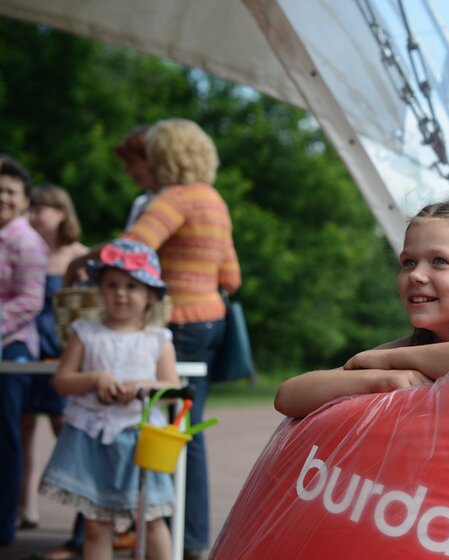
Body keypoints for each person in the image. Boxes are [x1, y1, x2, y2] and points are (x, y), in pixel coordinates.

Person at [66, 118, 241, 558]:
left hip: (176, 321)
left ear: (165, 156)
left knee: (147, 425)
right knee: (186, 430)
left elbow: (128, 253)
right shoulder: (214, 201)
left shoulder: (174, 198)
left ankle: (130, 522)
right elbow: (231, 276)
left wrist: (83, 261)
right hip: (211, 322)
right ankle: (193, 538)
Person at [275, 201, 449, 418]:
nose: (416, 275)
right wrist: (378, 381)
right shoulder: (405, 354)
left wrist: (386, 361)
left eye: (439, 261)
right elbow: (288, 395)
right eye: (408, 262)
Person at [39, 238, 179, 560]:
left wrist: (144, 386)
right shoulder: (85, 332)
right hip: (90, 436)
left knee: (151, 518)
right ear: (100, 290)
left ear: (150, 296)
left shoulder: (158, 340)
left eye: (132, 286)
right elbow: (61, 382)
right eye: (112, 285)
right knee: (96, 524)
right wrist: (93, 379)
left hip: (140, 439)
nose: (120, 293)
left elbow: (172, 389)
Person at [15, 185, 89, 532]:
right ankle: (26, 506)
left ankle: (85, 509)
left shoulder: (80, 255)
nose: (33, 214)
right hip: (31, 349)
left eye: (41, 208)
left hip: (64, 354)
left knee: (67, 429)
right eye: (32, 208)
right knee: (23, 427)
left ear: (62, 212)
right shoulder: (26, 250)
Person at [0, 155, 48, 547]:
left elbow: (30, 300)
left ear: (24, 200)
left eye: (10, 191)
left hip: (11, 347)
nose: (2, 196)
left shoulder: (25, 241)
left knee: (6, 436)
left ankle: (3, 525)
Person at [114, 125, 161, 230]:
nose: (127, 170)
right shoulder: (141, 203)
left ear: (152, 160)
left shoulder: (177, 202)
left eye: (131, 162)